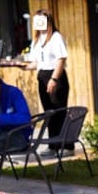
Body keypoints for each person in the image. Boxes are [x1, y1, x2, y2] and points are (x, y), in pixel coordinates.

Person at [26, 9, 71, 155]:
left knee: (60, 111)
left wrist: (54, 79)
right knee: (49, 113)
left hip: (55, 77)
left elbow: (60, 60)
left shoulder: (56, 37)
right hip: (42, 77)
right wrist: (21, 66)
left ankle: (67, 146)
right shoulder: (37, 40)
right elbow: (36, 62)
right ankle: (53, 146)